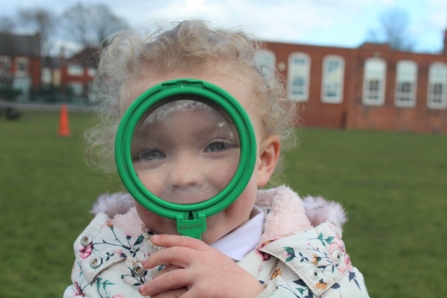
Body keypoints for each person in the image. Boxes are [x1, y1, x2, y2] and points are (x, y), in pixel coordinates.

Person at [64, 20, 369, 298]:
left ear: (262, 160)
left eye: (216, 145)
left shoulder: (317, 260)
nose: (184, 177)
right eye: (152, 153)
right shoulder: (105, 259)